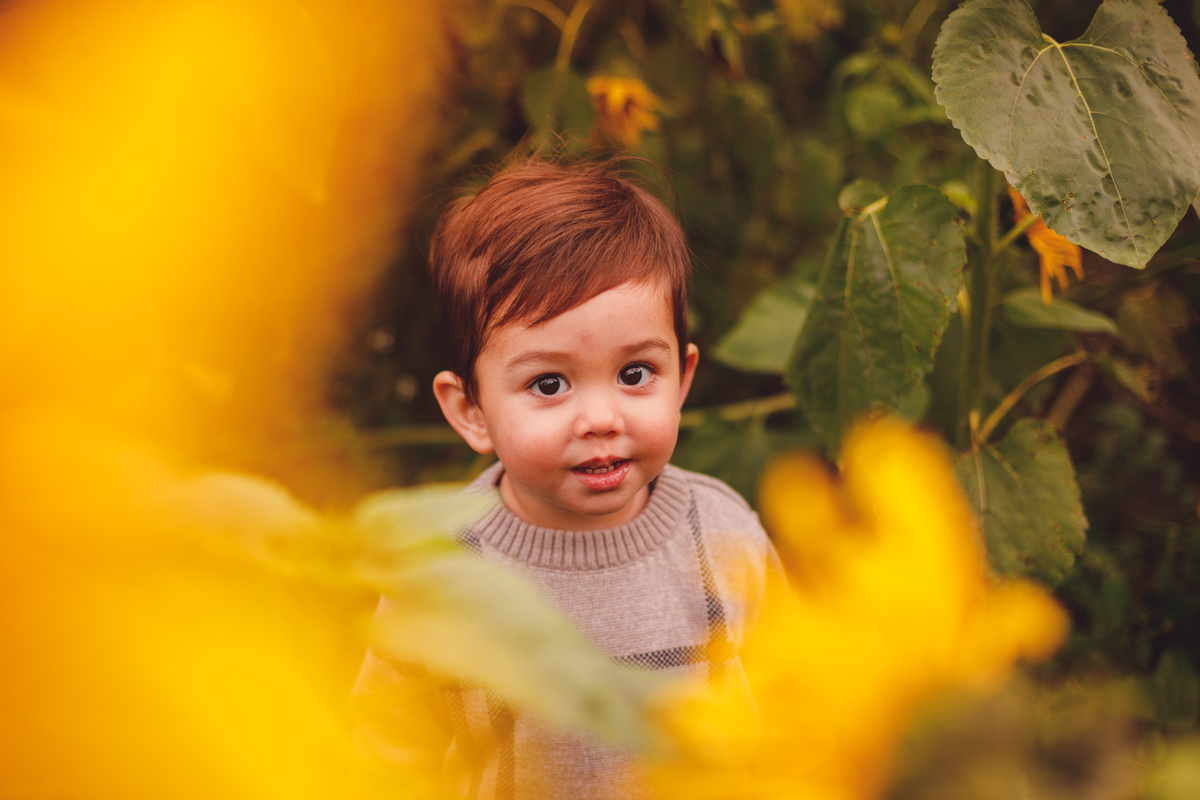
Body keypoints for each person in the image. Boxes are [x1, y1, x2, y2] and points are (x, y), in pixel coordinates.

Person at [351, 157, 781, 799]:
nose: (602, 418)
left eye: (636, 373)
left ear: (683, 378)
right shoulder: (443, 574)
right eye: (549, 384)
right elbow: (386, 757)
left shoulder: (723, 535)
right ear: (471, 411)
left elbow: (800, 708)